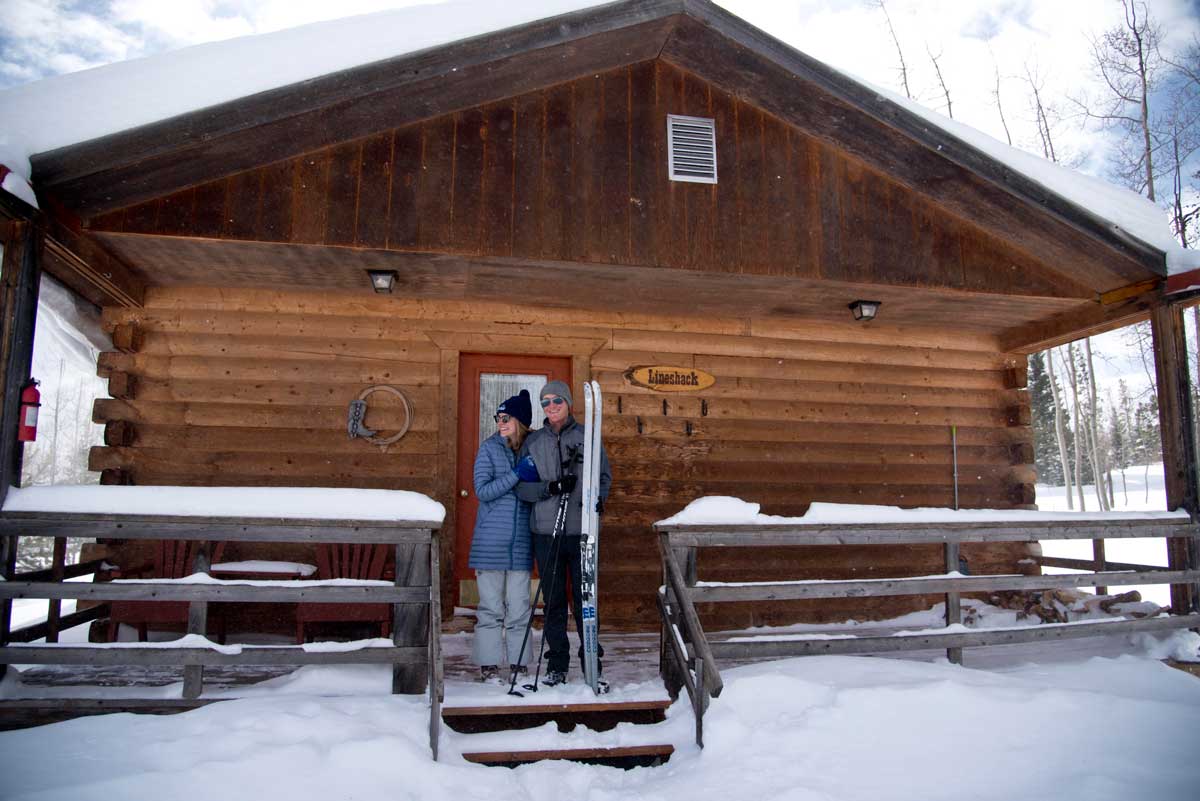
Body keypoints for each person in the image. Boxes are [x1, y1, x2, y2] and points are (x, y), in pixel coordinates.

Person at [517, 379, 612, 689]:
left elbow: (604, 477)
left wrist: (598, 498)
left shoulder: (588, 437)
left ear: (569, 403)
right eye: (545, 402)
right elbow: (522, 487)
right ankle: (557, 662)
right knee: (554, 600)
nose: (551, 406)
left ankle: (591, 662)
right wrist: (550, 488)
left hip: (583, 532)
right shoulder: (534, 443)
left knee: (586, 600)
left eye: (557, 400)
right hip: (547, 531)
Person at [469, 389, 537, 685]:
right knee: (490, 609)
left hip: (521, 543)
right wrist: (516, 475)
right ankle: (489, 666)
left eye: (505, 417)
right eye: (497, 417)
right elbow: (483, 491)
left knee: (519, 609)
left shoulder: (531, 449)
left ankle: (520, 665)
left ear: (519, 420)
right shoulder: (488, 449)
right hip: (489, 545)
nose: (500, 422)